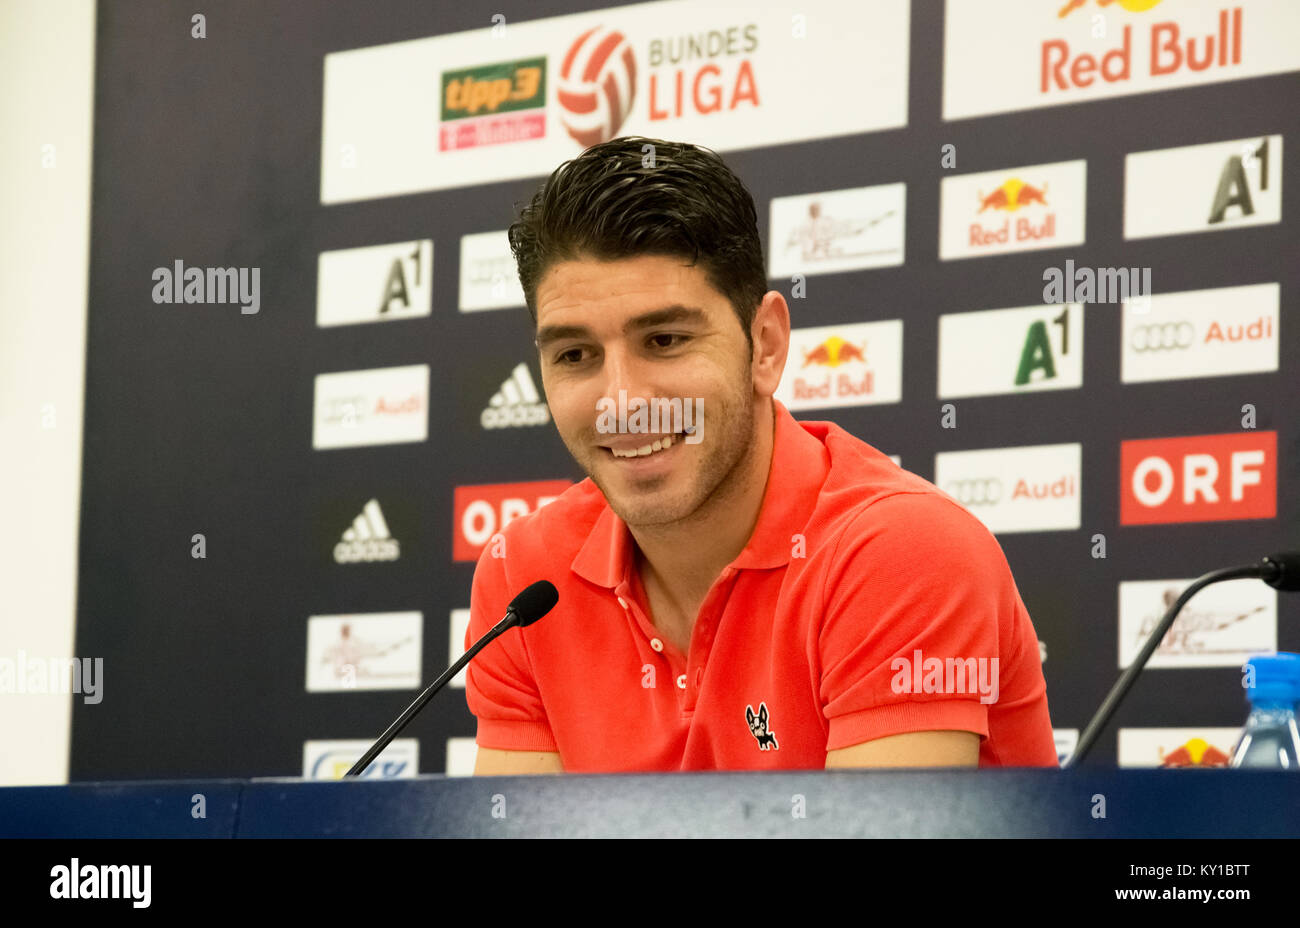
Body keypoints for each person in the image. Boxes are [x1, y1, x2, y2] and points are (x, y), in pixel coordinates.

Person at [466, 136, 1058, 774]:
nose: (622, 402)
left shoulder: (901, 549)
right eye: (575, 355)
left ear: (766, 345)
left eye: (664, 340)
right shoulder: (525, 576)